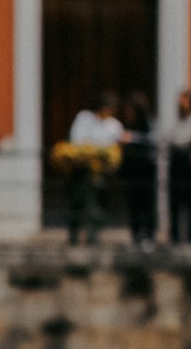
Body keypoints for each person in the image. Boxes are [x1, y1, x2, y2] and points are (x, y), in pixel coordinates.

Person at [67, 93, 123, 246]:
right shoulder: (84, 118)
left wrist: (94, 149)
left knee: (98, 203)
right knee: (77, 201)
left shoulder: (114, 125)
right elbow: (77, 140)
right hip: (82, 168)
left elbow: (114, 145)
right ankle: (74, 234)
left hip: (101, 172)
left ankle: (93, 235)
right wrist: (96, 150)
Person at [118, 93, 157, 248]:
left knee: (147, 204)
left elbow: (152, 139)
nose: (127, 112)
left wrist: (132, 138)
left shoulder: (148, 122)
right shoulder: (128, 123)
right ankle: (136, 235)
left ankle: (148, 235)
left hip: (146, 169)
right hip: (132, 170)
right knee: (133, 204)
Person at [166, 88, 191, 245]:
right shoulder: (180, 119)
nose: (180, 103)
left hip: (187, 161)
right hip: (176, 160)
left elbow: (184, 138)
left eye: (183, 100)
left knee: (189, 199)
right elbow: (171, 137)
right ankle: (175, 235)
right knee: (174, 200)